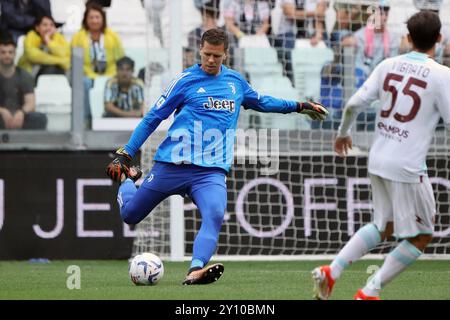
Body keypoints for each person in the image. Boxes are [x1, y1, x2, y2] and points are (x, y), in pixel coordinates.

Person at [105, 28, 329, 285]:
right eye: (207, 54)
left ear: (226, 54)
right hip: (172, 164)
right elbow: (153, 117)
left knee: (214, 214)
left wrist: (299, 106)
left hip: (210, 172)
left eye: (217, 56)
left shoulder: (235, 83)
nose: (211, 60)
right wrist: (126, 154)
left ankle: (195, 270)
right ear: (200, 50)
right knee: (131, 215)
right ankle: (127, 179)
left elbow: (264, 102)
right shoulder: (185, 81)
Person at [312, 10, 450, 300]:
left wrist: (343, 133)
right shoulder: (442, 75)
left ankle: (332, 271)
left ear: (408, 38)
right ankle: (369, 291)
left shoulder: (388, 65)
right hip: (408, 166)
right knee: (422, 235)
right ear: (439, 38)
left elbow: (353, 103)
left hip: (377, 158)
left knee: (383, 225)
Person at [71, 2, 124, 126]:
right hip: (87, 73)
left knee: (114, 83)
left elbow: (121, 59)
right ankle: (86, 121)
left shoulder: (112, 36)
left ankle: (108, 119)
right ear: (86, 19)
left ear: (102, 18)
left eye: (97, 17)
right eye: (91, 17)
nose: (94, 20)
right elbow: (74, 60)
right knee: (84, 83)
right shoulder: (78, 37)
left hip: (110, 73)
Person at [0, 35, 47, 129]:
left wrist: (21, 113)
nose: (7, 55)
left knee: (40, 119)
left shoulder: (24, 75)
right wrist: (2, 111)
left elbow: (31, 102)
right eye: (3, 52)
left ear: (15, 54)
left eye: (10, 52)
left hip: (20, 116)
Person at [18, 14, 70, 84]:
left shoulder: (58, 37)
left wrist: (48, 41)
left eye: (51, 25)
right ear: (37, 27)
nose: (48, 28)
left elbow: (66, 55)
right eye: (45, 25)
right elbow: (33, 56)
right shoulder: (31, 36)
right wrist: (59, 61)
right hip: (30, 75)